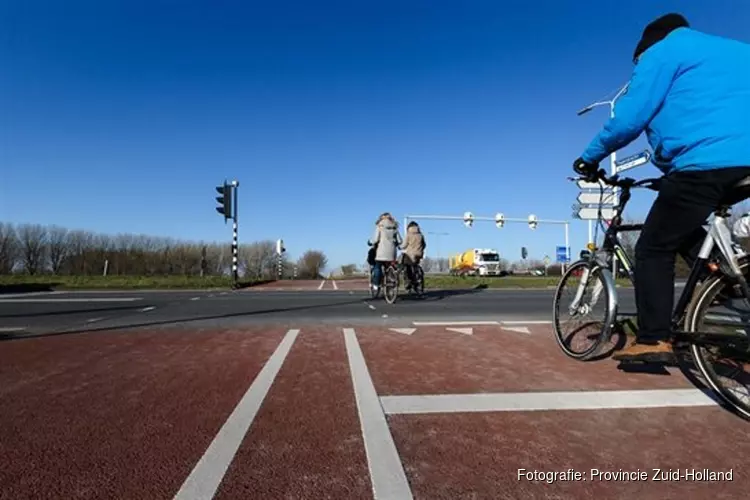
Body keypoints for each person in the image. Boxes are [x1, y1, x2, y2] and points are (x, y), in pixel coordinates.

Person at [573, 13, 750, 363]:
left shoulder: (663, 52)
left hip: (706, 163)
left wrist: (588, 159)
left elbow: (630, 117)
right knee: (684, 224)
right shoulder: (738, 50)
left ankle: (654, 339)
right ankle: (725, 282)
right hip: (736, 163)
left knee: (653, 247)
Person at [367, 212, 402, 292]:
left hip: (381, 253)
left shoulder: (380, 226)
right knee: (390, 265)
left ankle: (376, 283)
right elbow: (400, 241)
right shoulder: (394, 227)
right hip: (392, 253)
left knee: (377, 266)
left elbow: (375, 239)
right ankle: (392, 281)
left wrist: (369, 242)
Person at [400, 221, 426, 290]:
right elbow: (424, 245)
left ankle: (409, 281)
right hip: (419, 254)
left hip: (411, 255)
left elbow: (404, 245)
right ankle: (418, 278)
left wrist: (400, 247)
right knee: (415, 265)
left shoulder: (409, 234)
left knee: (406, 265)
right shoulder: (420, 235)